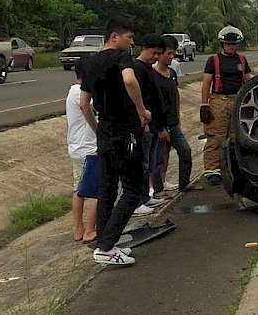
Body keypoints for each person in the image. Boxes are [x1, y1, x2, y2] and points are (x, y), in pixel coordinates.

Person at [80, 17, 151, 266]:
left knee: (107, 190)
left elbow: (83, 104)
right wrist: (142, 110)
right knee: (133, 188)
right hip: (125, 133)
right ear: (115, 37)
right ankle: (107, 246)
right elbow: (130, 80)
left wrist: (98, 129)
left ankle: (104, 243)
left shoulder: (90, 63)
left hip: (106, 133)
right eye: (129, 37)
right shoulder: (121, 57)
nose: (131, 42)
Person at [200, 26, 252, 185]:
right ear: (222, 44)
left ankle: (232, 168)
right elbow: (206, 83)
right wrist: (204, 105)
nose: (231, 46)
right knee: (216, 137)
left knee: (235, 137)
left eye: (234, 44)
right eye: (228, 44)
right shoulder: (213, 60)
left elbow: (249, 78)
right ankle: (212, 171)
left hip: (237, 100)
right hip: (218, 101)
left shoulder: (242, 60)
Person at [132, 35, 168, 212]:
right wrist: (143, 122)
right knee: (143, 164)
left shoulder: (148, 69)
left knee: (151, 163)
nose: (156, 57)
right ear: (145, 48)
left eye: (158, 54)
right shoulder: (136, 69)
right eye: (154, 53)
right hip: (144, 125)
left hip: (155, 124)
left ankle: (146, 196)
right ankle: (138, 200)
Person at [154, 35, 193, 191]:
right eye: (168, 54)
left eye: (174, 53)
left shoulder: (172, 73)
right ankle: (157, 189)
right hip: (160, 125)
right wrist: (160, 128)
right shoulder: (152, 75)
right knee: (159, 158)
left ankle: (184, 184)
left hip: (173, 123)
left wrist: (177, 117)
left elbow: (175, 94)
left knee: (185, 151)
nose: (172, 57)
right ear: (160, 53)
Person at [66, 59, 97, 243]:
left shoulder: (71, 92)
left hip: (76, 146)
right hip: (88, 148)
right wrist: (98, 132)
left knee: (79, 189)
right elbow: (90, 108)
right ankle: (90, 230)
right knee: (98, 190)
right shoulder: (82, 94)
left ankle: (78, 227)